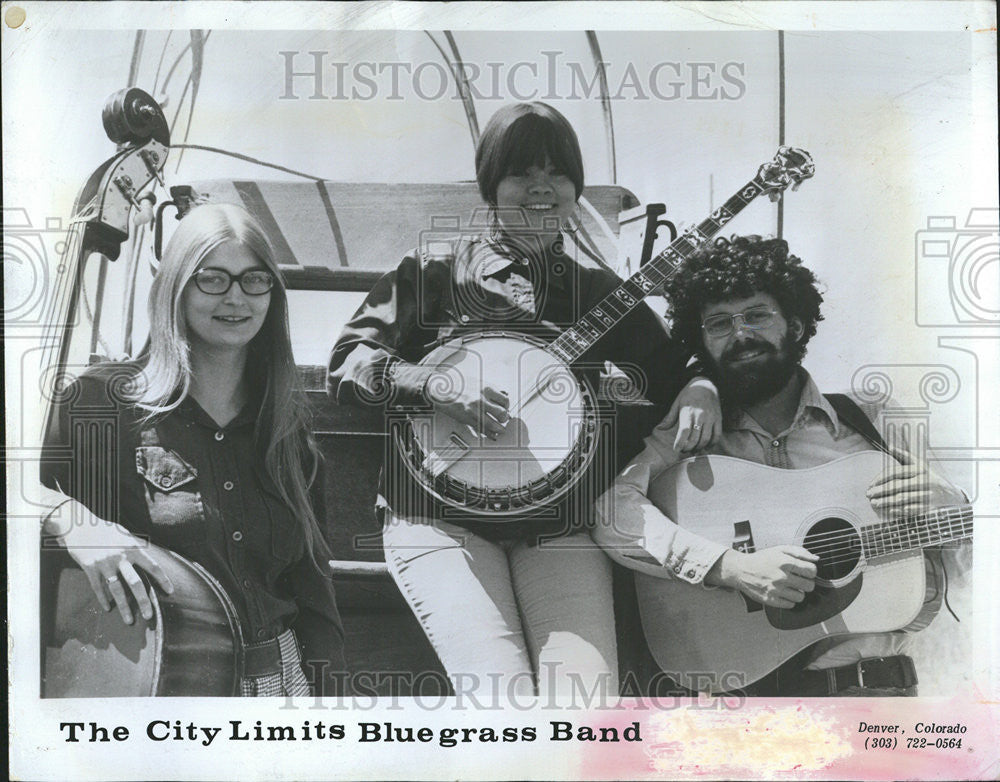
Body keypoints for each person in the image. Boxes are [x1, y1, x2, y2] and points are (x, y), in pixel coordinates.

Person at [328, 101, 721, 699]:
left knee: (586, 706)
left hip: (557, 525)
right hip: (438, 516)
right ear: (492, 183)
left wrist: (702, 384)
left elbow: (675, 367)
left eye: (558, 174)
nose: (542, 188)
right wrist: (433, 383)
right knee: (499, 698)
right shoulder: (435, 270)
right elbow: (349, 360)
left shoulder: (597, 291)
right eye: (521, 174)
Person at [594, 234, 970, 696]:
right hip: (746, 711)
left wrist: (955, 509)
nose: (741, 335)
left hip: (874, 698)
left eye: (757, 315)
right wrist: (727, 566)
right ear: (702, 342)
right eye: (718, 324)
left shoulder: (873, 417)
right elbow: (612, 514)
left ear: (794, 324)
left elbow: (966, 564)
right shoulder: (692, 432)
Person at [40, 203, 345, 697]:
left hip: (280, 690)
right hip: (153, 689)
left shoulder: (290, 439)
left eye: (254, 280)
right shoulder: (97, 404)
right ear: (176, 288)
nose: (236, 298)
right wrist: (72, 519)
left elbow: (316, 603)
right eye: (213, 279)